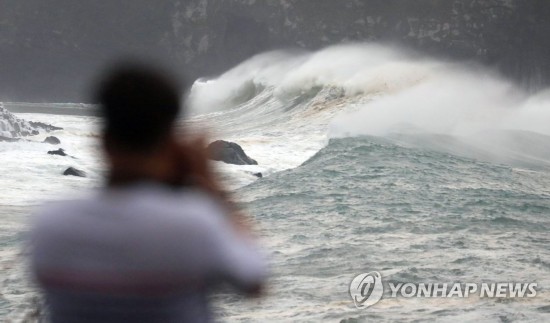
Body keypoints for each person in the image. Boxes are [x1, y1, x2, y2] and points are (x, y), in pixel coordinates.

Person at [29, 63, 267, 322]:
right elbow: (254, 281)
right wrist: (210, 184)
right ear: (171, 143)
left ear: (103, 141)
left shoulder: (50, 225)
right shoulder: (193, 225)